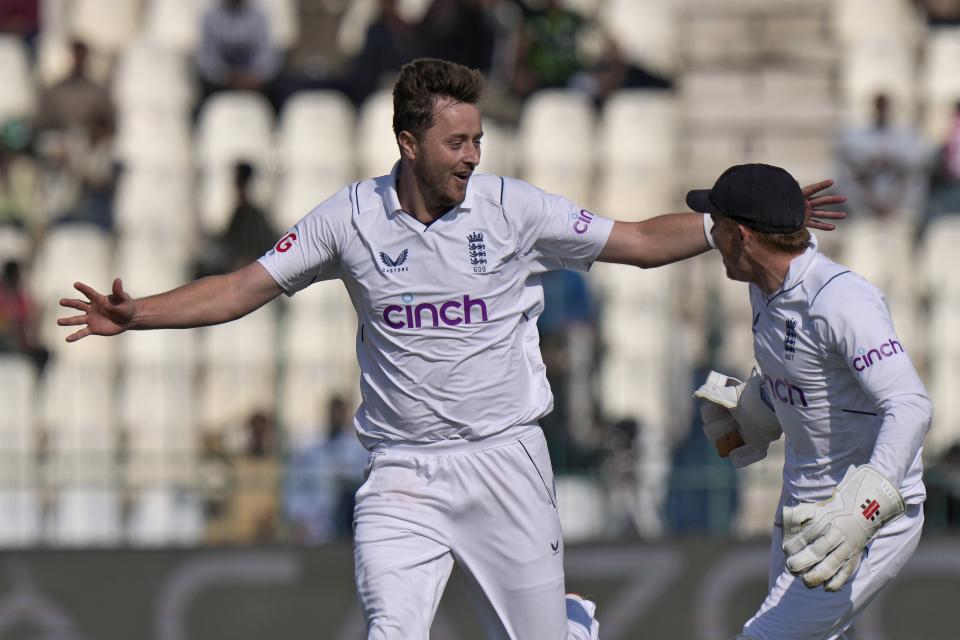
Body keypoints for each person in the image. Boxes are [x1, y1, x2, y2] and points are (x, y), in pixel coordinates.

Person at [58, 59, 843, 639]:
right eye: (456, 141)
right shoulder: (349, 219)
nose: (472, 156)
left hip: (505, 462)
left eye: (478, 140)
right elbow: (245, 286)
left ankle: (565, 625)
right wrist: (141, 315)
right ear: (408, 142)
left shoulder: (511, 210)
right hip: (404, 472)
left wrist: (747, 220)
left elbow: (635, 241)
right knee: (391, 631)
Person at [690, 163, 931, 639]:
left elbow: (911, 405)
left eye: (715, 225)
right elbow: (816, 378)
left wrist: (862, 510)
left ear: (741, 236)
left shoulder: (841, 298)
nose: (710, 235)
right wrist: (758, 405)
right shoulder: (764, 289)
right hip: (800, 511)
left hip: (864, 520)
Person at [284, 394, 369, 544]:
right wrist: (300, 519)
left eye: (339, 412)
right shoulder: (312, 451)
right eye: (332, 411)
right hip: (314, 529)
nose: (335, 416)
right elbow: (296, 488)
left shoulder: (359, 450)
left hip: (349, 529)